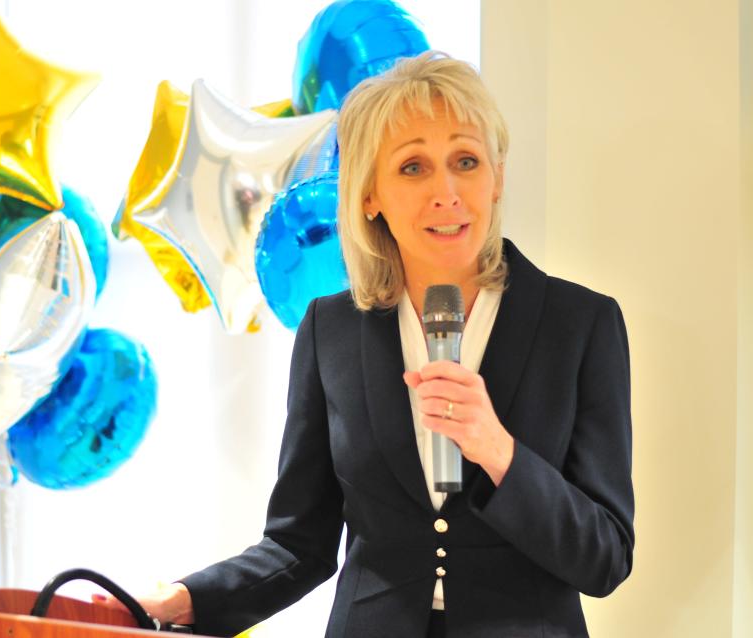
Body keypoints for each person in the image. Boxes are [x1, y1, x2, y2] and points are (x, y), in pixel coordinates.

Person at [94, 51, 634, 638]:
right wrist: (186, 599)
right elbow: (299, 544)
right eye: (412, 168)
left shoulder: (581, 324)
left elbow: (604, 556)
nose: (446, 191)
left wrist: (499, 452)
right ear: (369, 194)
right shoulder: (331, 331)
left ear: (496, 177)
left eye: (466, 160)